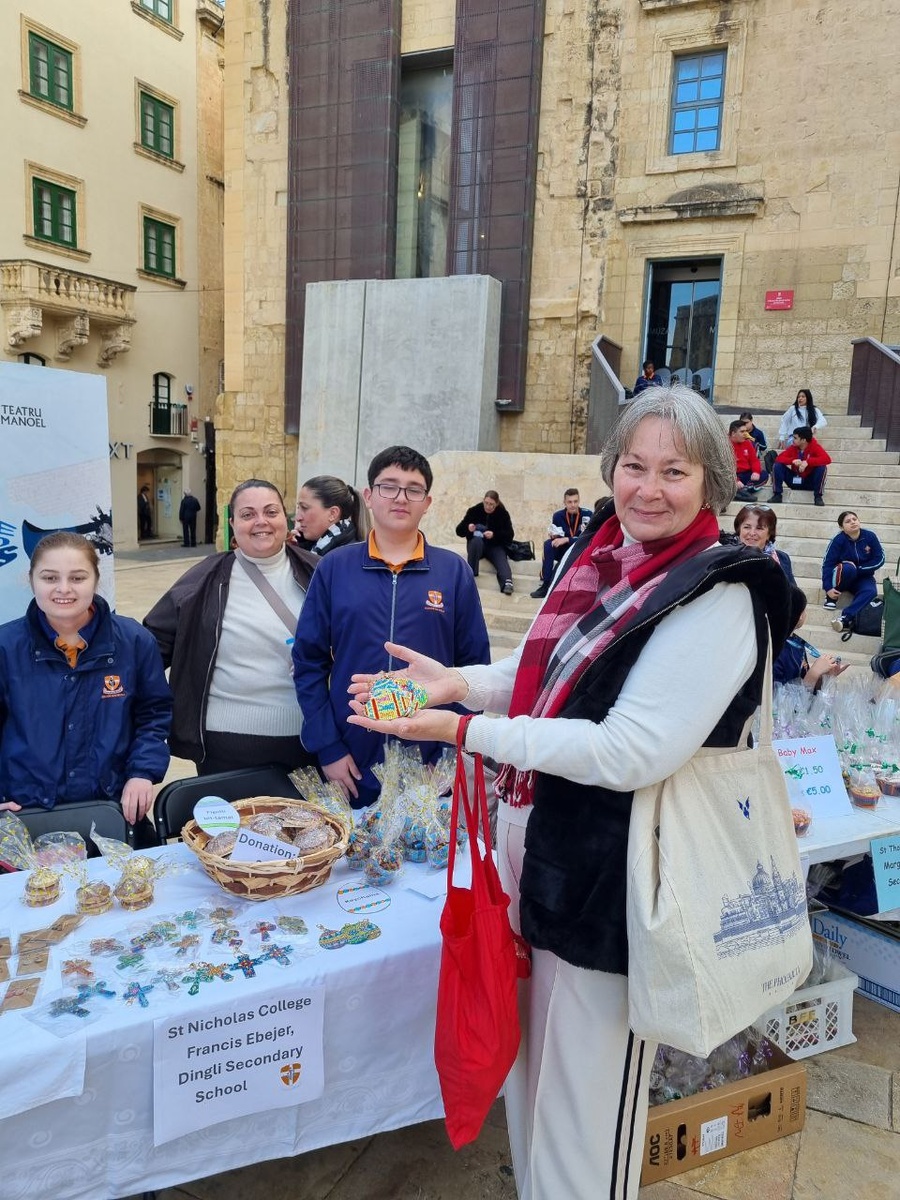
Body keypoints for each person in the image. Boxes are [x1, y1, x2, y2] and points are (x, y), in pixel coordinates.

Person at [345, 386, 793, 1200]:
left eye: (674, 471)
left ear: (712, 484)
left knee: (582, 1113)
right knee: (533, 1084)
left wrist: (465, 731)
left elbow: (628, 750)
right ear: (611, 468)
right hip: (543, 852)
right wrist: (459, 683)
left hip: (613, 883)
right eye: (634, 466)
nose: (648, 488)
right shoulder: (603, 554)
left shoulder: (719, 592)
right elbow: (548, 674)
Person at [292, 445, 490, 808]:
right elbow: (308, 662)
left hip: (430, 760)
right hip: (351, 758)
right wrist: (328, 747)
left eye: (413, 489)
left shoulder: (452, 571)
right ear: (369, 496)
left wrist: (451, 753)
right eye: (389, 486)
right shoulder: (335, 568)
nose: (400, 497)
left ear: (427, 502)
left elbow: (474, 670)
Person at [0, 532, 171, 846]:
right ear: (32, 580)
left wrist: (142, 772)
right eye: (50, 577)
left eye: (77, 577)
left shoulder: (133, 641)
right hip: (27, 813)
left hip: (111, 810)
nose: (64, 588)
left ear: (96, 579)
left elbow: (154, 714)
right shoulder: (5, 647)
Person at [144, 479, 319, 775]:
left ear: (285, 518)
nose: (261, 521)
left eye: (271, 512)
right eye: (248, 514)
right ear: (232, 524)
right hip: (224, 744)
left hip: (308, 740)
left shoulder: (319, 571)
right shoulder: (203, 579)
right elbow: (149, 647)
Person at [821, 509, 886, 633]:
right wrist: (828, 588)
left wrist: (859, 569)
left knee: (871, 591)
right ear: (842, 527)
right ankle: (831, 598)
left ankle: (845, 618)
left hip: (863, 577)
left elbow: (880, 559)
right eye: (848, 521)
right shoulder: (838, 540)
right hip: (844, 575)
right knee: (848, 568)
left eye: (854, 519)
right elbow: (828, 564)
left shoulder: (870, 536)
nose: (852, 522)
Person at [774, 590, 848, 691]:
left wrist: (823, 677)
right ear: (800, 616)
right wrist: (814, 673)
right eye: (804, 610)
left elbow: (805, 685)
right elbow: (777, 697)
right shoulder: (775, 651)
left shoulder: (796, 644)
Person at [530, 488, 592, 599]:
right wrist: (554, 536)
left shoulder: (587, 515)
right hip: (564, 550)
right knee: (548, 544)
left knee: (558, 570)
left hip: (579, 551)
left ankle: (551, 584)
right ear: (564, 502)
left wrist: (567, 539)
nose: (573, 505)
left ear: (579, 501)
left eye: (575, 501)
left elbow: (588, 538)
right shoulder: (558, 516)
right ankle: (545, 584)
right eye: (569, 502)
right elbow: (558, 536)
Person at [456, 490, 516, 594]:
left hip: (494, 546)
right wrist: (468, 528)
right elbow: (459, 531)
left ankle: (507, 582)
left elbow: (509, 535)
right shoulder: (474, 510)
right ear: (483, 501)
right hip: (477, 545)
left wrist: (494, 535)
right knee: (476, 541)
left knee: (501, 559)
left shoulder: (503, 514)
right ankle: (471, 575)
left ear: (496, 504)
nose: (488, 506)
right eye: (486, 503)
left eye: (491, 504)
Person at [290, 475, 368, 555]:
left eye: (304, 508)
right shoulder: (316, 548)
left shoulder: (347, 556)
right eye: (298, 508)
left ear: (333, 514)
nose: (298, 518)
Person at [733, 503, 795, 583]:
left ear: (769, 534)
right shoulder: (727, 557)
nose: (752, 533)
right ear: (739, 530)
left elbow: (792, 590)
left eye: (759, 528)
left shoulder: (783, 558)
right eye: (747, 527)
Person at [771, 426, 831, 506]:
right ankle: (777, 495)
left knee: (822, 468)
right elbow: (778, 458)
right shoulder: (793, 447)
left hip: (809, 482)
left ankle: (818, 497)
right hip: (794, 479)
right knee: (777, 465)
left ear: (803, 440)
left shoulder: (815, 447)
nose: (793, 440)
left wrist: (808, 462)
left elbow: (827, 459)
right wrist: (792, 461)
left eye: (795, 438)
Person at [729, 420, 769, 499]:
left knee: (764, 474)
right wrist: (735, 480)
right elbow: (724, 467)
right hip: (731, 475)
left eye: (746, 431)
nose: (745, 434)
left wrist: (756, 472)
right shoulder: (724, 445)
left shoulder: (747, 443)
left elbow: (754, 460)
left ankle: (743, 492)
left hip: (745, 475)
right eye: (742, 431)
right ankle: (741, 492)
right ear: (733, 433)